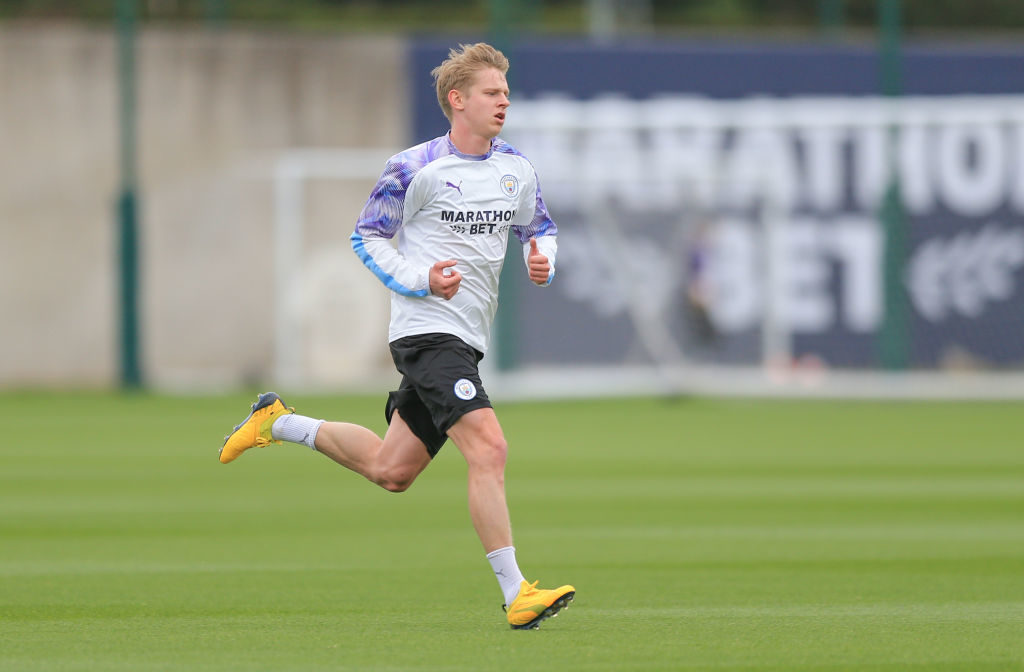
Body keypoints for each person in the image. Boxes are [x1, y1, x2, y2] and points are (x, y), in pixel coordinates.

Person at [219, 42, 574, 631]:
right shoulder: (414, 168)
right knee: (489, 447)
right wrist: (421, 280)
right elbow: (367, 237)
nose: (503, 101)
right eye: (492, 92)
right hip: (425, 332)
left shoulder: (517, 169)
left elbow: (540, 227)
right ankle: (517, 593)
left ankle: (276, 421)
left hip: (465, 339)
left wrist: (542, 258)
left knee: (392, 470)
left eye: (506, 92)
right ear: (457, 100)